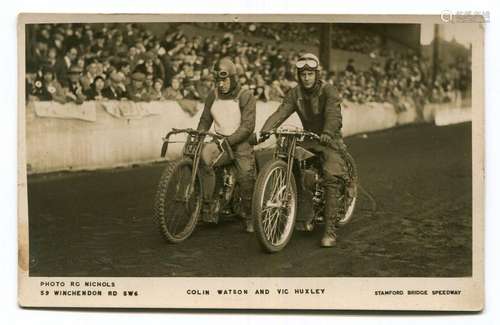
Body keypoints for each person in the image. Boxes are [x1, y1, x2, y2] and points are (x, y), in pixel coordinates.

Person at [256, 53, 348, 247]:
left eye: (310, 74)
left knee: (331, 176)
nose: (306, 77)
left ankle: (330, 231)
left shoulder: (328, 91)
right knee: (292, 161)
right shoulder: (294, 93)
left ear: (316, 74)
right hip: (308, 139)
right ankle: (303, 211)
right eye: (303, 74)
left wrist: (328, 132)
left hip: (329, 139)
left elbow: (334, 115)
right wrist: (265, 130)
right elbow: (281, 112)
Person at [196, 57, 257, 233]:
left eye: (224, 79)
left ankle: (250, 216)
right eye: (217, 80)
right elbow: (205, 119)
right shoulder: (212, 95)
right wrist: (199, 133)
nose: (220, 84)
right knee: (203, 160)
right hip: (220, 140)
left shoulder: (245, 96)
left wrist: (228, 141)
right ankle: (209, 206)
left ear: (233, 77)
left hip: (240, 143)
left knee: (246, 176)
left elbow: (247, 127)